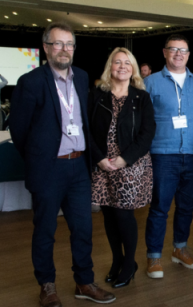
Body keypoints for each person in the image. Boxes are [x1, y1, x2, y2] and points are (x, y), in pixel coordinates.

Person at [9, 22, 115, 306]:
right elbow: (19, 131)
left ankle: (84, 282)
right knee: (45, 230)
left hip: (79, 169)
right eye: (58, 43)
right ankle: (47, 285)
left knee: (83, 229)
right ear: (45, 47)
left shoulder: (81, 77)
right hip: (48, 169)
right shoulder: (30, 82)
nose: (64, 49)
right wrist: (39, 159)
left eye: (69, 44)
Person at [144, 34, 193, 279]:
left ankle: (180, 249)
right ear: (164, 52)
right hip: (163, 155)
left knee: (186, 207)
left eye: (183, 50)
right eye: (173, 49)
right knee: (159, 208)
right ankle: (153, 257)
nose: (178, 54)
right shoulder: (150, 83)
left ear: (189, 55)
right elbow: (143, 122)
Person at [89, 47, 156, 288]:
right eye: (117, 63)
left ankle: (129, 264)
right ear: (110, 67)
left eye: (127, 63)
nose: (122, 67)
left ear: (134, 69)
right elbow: (88, 130)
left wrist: (124, 159)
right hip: (103, 164)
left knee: (123, 215)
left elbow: (148, 134)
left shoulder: (141, 97)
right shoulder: (97, 94)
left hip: (131, 165)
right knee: (108, 215)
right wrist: (99, 159)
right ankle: (117, 261)